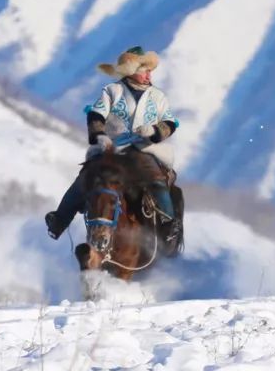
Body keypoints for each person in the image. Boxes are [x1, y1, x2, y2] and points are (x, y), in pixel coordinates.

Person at [44, 46, 183, 254]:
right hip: (113, 148)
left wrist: (153, 130)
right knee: (85, 178)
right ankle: (60, 220)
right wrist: (99, 135)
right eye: (144, 69)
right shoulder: (112, 91)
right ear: (131, 71)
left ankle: (169, 226)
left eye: (149, 70)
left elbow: (170, 123)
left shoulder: (157, 96)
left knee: (156, 179)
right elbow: (96, 115)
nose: (149, 74)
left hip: (145, 149)